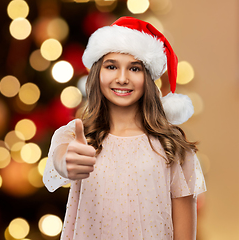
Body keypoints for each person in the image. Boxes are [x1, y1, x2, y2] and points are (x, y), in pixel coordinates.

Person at [43, 16, 206, 240]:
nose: (122, 78)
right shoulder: (76, 135)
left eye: (134, 68)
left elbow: (184, 233)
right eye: (111, 66)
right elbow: (61, 158)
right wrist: (67, 162)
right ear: (98, 73)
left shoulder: (171, 146)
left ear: (147, 77)